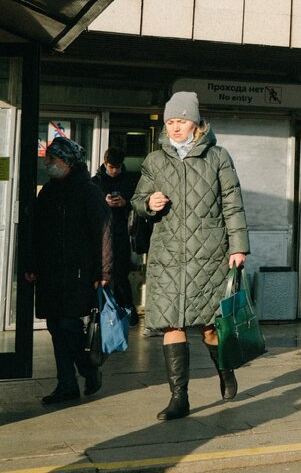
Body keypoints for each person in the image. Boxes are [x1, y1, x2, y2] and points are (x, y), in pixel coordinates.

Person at [132, 92, 249, 420]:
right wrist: (147, 203)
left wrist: (238, 247)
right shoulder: (155, 161)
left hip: (209, 255)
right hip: (168, 256)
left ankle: (224, 370)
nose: (174, 128)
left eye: (180, 121)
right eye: (170, 122)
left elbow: (232, 202)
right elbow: (138, 199)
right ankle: (178, 397)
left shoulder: (218, 157)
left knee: (210, 328)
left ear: (195, 123)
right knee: (172, 323)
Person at [25, 137, 112, 405]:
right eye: (47, 158)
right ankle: (67, 384)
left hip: (78, 272)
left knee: (68, 324)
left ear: (69, 162)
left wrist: (104, 272)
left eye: (53, 158)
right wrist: (31, 264)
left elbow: (103, 233)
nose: (48, 163)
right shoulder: (48, 192)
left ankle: (87, 369)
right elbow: (36, 232)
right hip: (50, 272)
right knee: (54, 326)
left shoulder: (88, 190)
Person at [92, 148, 141, 325]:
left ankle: (127, 309)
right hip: (101, 234)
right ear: (105, 164)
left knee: (121, 274)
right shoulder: (95, 182)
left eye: (118, 167)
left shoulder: (129, 180)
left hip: (121, 233)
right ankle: (100, 311)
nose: (115, 171)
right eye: (112, 167)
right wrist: (103, 203)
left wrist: (125, 203)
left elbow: (138, 201)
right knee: (101, 275)